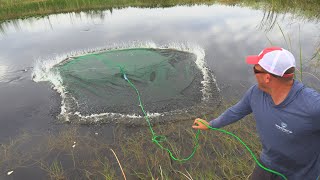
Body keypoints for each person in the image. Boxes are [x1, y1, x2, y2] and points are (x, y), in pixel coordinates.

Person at [192, 47, 320, 180]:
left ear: (267, 78)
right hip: (266, 165)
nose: (253, 73)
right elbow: (235, 112)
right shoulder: (255, 93)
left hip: (301, 175)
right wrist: (211, 124)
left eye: (255, 69)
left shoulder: (313, 106)